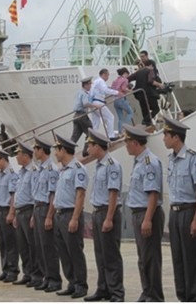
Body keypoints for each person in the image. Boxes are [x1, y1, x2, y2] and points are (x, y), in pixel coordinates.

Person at [162, 117, 196, 301]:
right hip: (175, 212)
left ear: (176, 137)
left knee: (192, 259)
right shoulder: (170, 159)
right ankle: (183, 296)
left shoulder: (193, 159)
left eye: (166, 134)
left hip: (189, 211)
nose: (163, 138)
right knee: (178, 257)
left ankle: (194, 298)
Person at [123, 124, 165, 302]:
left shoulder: (150, 162)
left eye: (127, 142)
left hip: (148, 213)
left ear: (135, 143)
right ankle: (146, 291)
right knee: (143, 258)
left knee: (151, 257)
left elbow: (153, 193)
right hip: (138, 213)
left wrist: (147, 219)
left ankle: (154, 296)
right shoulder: (139, 161)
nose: (125, 145)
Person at [84, 129, 125, 302]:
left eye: (89, 145)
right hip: (98, 212)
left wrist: (108, 218)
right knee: (100, 253)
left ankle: (116, 292)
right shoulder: (99, 165)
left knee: (111, 254)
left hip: (108, 212)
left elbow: (113, 193)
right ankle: (104, 288)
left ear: (97, 146)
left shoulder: (111, 165)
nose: (87, 149)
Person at [53, 134, 89, 299]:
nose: (55, 153)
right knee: (63, 251)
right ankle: (72, 282)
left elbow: (80, 194)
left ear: (63, 150)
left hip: (70, 214)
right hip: (59, 214)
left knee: (74, 250)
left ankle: (81, 284)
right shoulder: (62, 170)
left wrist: (75, 218)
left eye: (57, 149)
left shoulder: (78, 169)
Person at [32, 135, 62, 292]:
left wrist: (50, 216)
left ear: (41, 150)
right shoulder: (40, 169)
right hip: (37, 208)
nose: (33, 152)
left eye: (35, 149)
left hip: (45, 209)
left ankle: (54, 279)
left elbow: (52, 195)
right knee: (40, 246)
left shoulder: (51, 169)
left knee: (48, 246)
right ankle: (46, 276)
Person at [10, 141, 42, 287]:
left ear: (25, 156)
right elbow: (18, 195)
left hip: (29, 210)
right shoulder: (21, 173)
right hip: (20, 210)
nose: (16, 157)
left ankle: (36, 275)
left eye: (18, 154)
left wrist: (34, 215)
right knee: (22, 245)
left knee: (32, 245)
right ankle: (27, 273)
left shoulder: (34, 171)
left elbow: (35, 194)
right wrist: (15, 213)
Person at [0, 147, 20, 283]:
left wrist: (11, 212)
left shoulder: (11, 174)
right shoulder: (1, 175)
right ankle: (5, 269)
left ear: (3, 159)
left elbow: (13, 194)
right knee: (2, 243)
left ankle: (13, 271)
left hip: (6, 210)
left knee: (10, 243)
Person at [71, 76, 98, 157]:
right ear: (85, 85)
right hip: (82, 115)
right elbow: (85, 103)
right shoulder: (84, 93)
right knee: (90, 131)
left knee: (75, 136)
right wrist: (95, 106)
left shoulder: (79, 92)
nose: (90, 86)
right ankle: (85, 151)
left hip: (76, 116)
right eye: (89, 84)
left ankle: (66, 150)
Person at [90, 68, 121, 140]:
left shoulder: (95, 82)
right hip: (98, 102)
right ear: (104, 74)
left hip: (93, 103)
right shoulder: (101, 81)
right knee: (110, 117)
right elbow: (105, 90)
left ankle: (93, 138)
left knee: (96, 122)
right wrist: (117, 92)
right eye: (108, 75)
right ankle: (111, 136)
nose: (108, 77)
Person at [111, 67, 134, 135]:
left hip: (115, 100)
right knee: (130, 113)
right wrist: (130, 90)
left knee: (120, 117)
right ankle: (124, 127)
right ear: (125, 73)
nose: (127, 76)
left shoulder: (115, 80)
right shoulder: (125, 80)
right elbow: (123, 88)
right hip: (121, 98)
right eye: (127, 74)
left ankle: (120, 131)